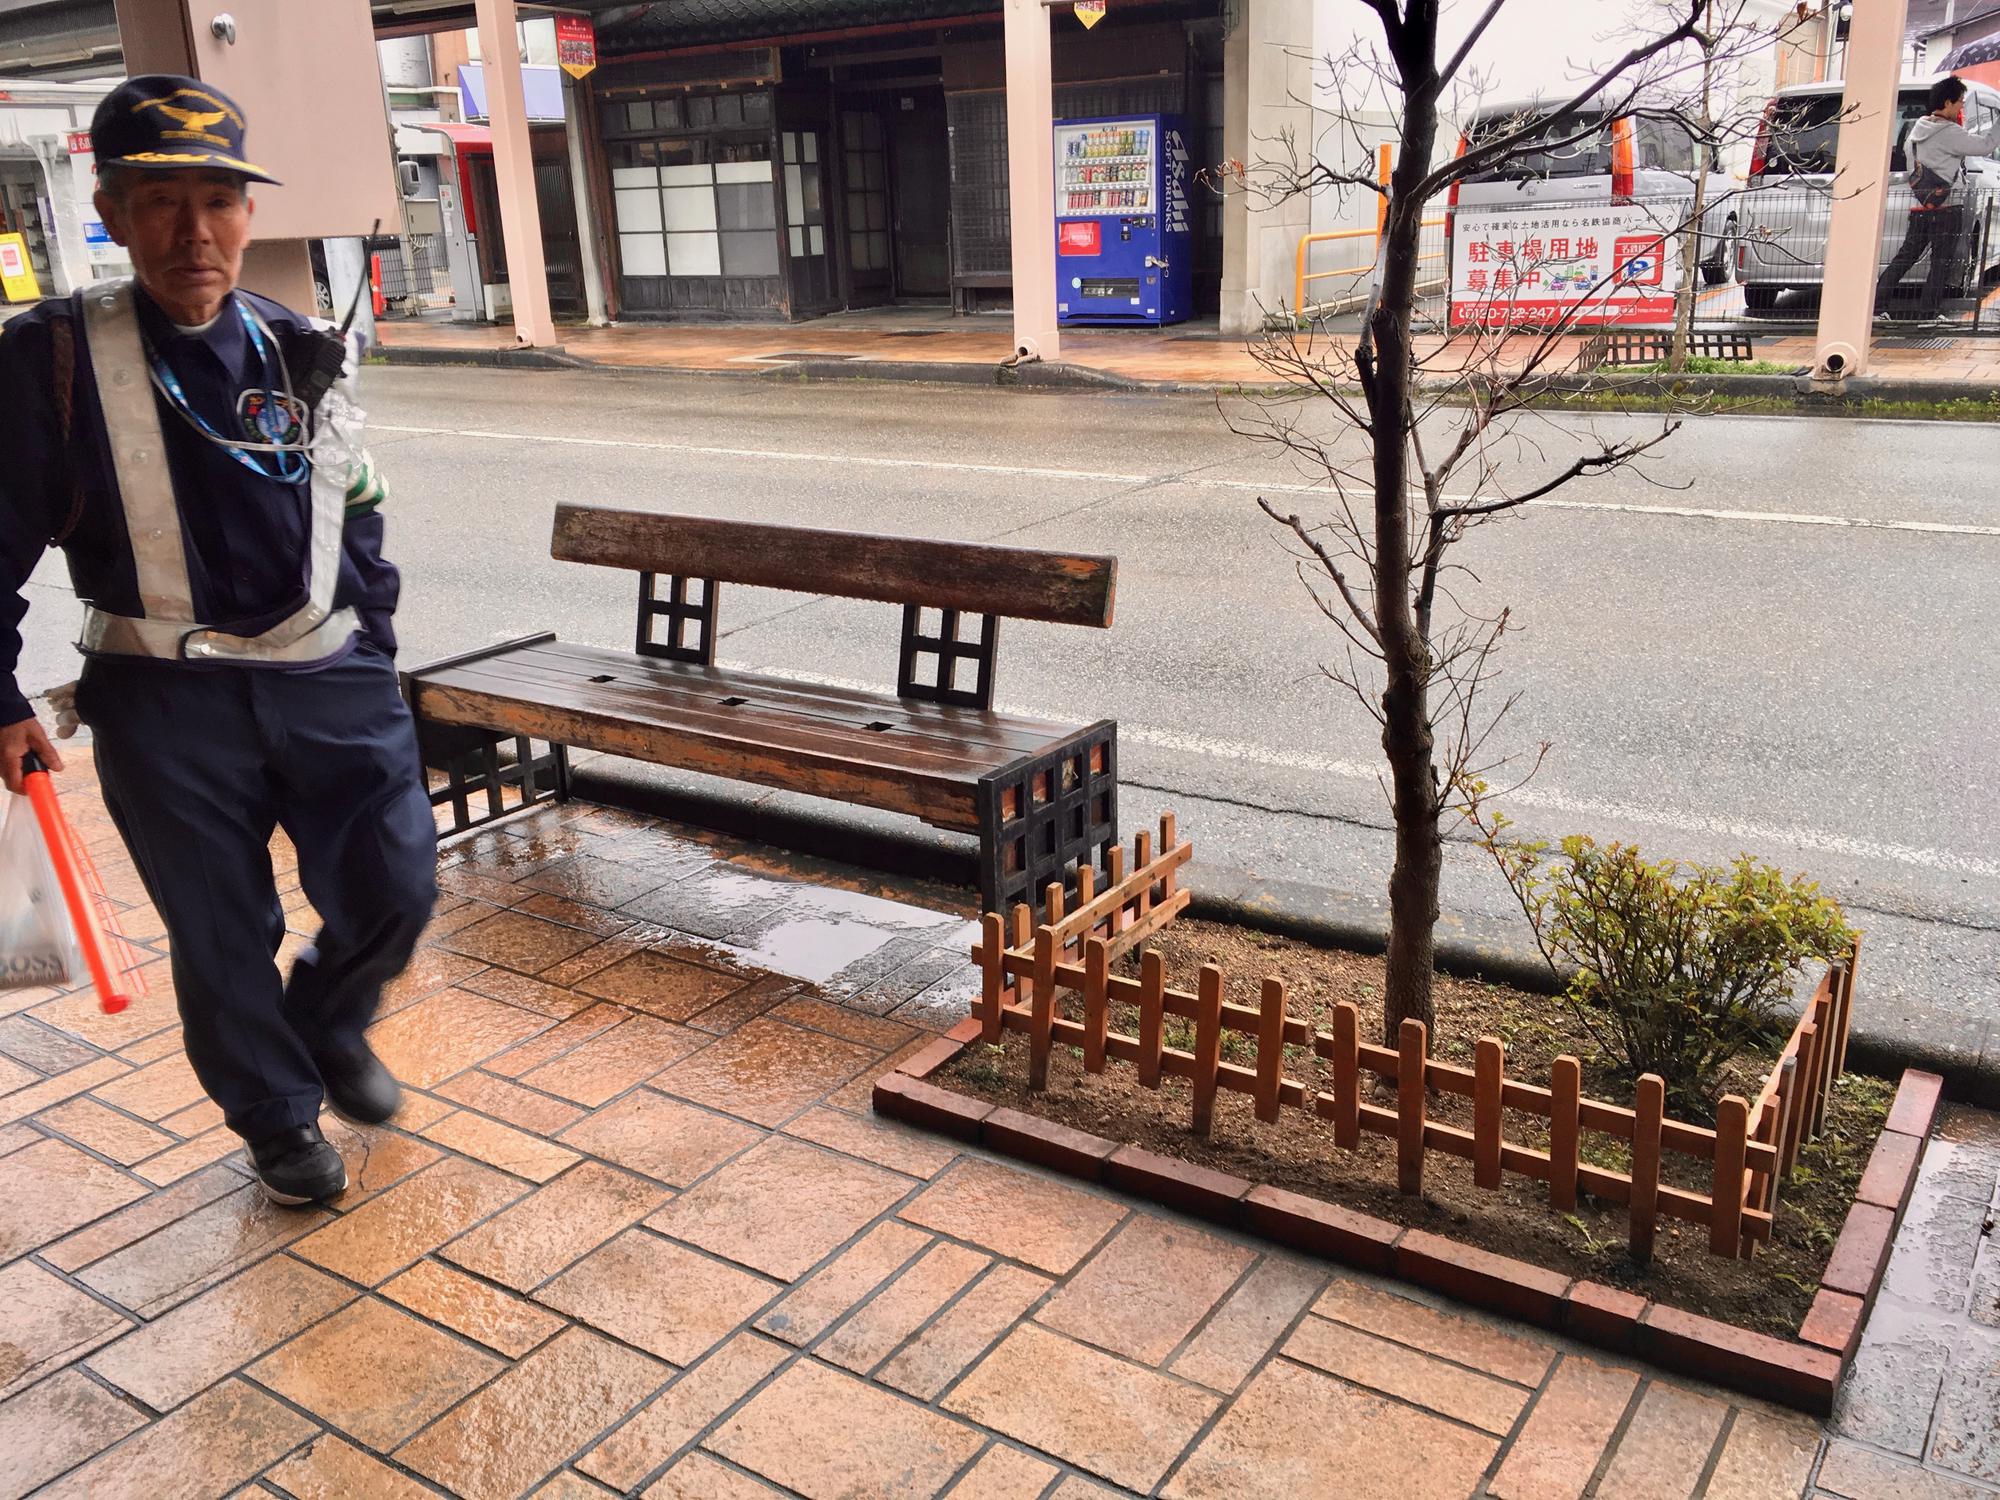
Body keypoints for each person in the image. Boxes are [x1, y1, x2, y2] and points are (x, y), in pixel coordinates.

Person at [0, 76, 436, 1205]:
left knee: (394, 882)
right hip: (165, 696)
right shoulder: (45, 360)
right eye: (159, 201)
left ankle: (328, 1020)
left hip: (330, 676)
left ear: (250, 213)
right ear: (110, 207)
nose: (194, 232)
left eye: (219, 200)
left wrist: (374, 651)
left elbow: (359, 510)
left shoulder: (297, 347)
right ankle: (279, 1118)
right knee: (219, 925)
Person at [1876, 75, 2000, 323]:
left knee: (1905, 258)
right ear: (1947, 102)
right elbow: (1985, 146)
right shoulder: (1949, 132)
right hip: (1946, 205)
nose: (1962, 106)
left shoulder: (1916, 130)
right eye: (1960, 102)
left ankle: (1876, 307)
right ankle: (1928, 313)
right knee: (1940, 263)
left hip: (1921, 204)